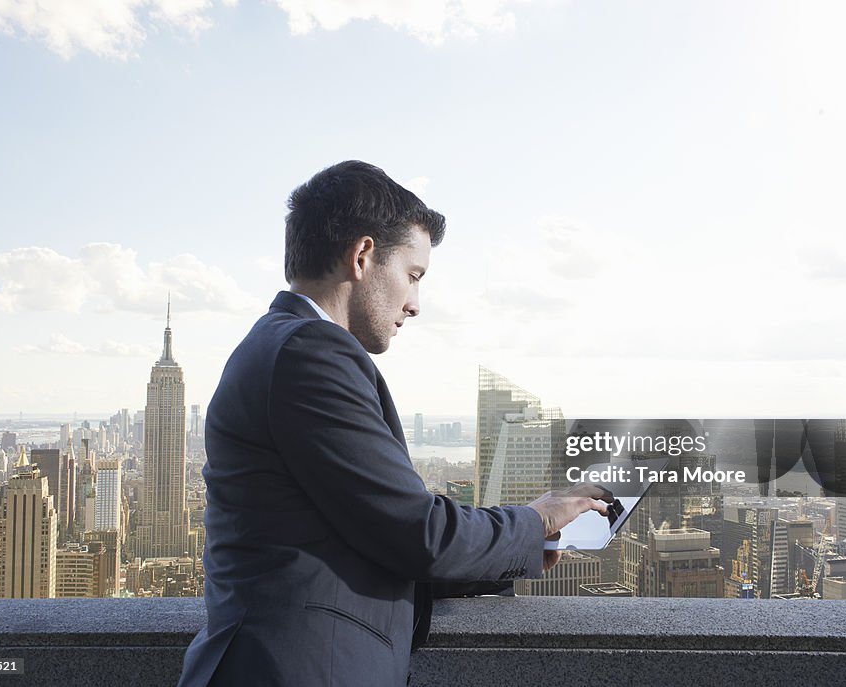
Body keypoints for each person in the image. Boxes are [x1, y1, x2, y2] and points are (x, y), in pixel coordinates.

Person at [177, 160, 610, 687]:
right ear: (362, 256)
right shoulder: (308, 352)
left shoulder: (280, 344)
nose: (415, 304)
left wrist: (510, 554)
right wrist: (534, 520)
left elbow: (359, 538)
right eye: (413, 275)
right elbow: (416, 531)